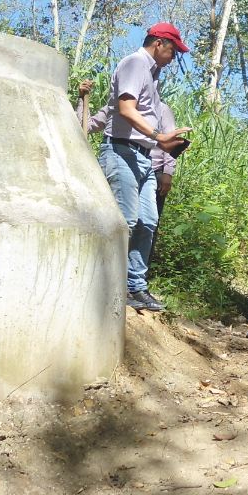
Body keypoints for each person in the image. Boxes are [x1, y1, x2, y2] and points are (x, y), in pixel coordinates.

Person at [99, 23, 192, 312]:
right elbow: (126, 109)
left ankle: (135, 286)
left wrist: (163, 145)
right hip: (122, 151)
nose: (174, 56)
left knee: (147, 221)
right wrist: (158, 136)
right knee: (125, 221)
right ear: (159, 43)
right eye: (173, 49)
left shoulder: (152, 74)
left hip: (144, 156)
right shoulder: (135, 63)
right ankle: (109, 286)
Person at [79, 81, 178, 272]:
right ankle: (108, 274)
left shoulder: (161, 109)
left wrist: (168, 172)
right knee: (126, 221)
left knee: (147, 223)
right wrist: (82, 100)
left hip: (152, 167)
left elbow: (169, 138)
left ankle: (135, 282)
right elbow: (87, 125)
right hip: (121, 159)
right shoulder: (116, 105)